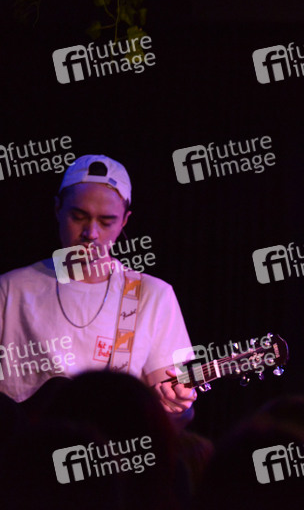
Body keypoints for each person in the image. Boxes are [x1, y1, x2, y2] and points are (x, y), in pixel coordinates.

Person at [0, 154, 196, 418]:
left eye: (106, 222)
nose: (91, 233)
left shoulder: (153, 295)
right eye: (78, 216)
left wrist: (176, 404)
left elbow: (170, 399)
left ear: (124, 221)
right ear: (57, 209)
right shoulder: (10, 289)